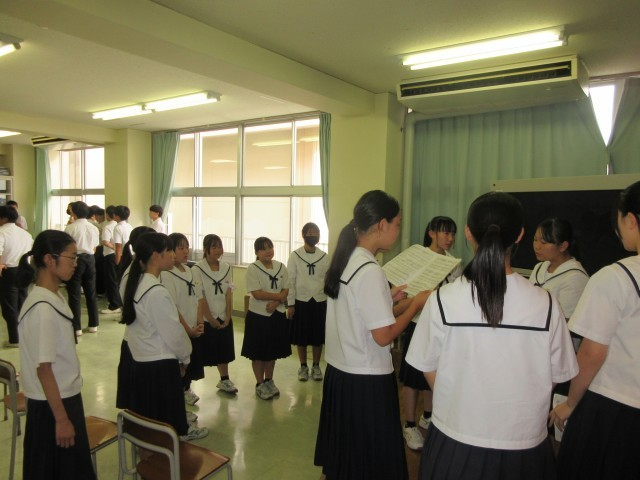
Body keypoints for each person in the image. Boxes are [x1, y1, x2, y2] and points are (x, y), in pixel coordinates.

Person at [406, 191, 578, 480]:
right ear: (520, 234)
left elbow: (428, 366)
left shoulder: (441, 300)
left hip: (454, 442)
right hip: (524, 448)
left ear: (468, 233)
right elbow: (556, 374)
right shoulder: (547, 304)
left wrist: (462, 397)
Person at [314, 190, 430, 480]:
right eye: (397, 224)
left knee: (348, 459)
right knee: (370, 462)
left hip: (341, 374)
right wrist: (415, 304)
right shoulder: (369, 269)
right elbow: (383, 336)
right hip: (365, 381)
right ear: (381, 225)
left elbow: (357, 312)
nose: (398, 231)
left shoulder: (348, 258)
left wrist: (389, 298)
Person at [551, 180, 640, 479]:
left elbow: (592, 353)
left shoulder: (616, 277)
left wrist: (570, 404)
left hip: (614, 407)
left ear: (630, 220)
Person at [17, 230, 96, 479]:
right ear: (49, 260)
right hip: (53, 405)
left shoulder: (54, 296)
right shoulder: (42, 309)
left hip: (62, 398)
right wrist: (61, 420)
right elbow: (44, 370)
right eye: (71, 257)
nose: (75, 263)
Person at [119, 232, 207, 441]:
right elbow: (174, 334)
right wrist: (185, 358)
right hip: (159, 365)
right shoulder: (156, 291)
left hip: (143, 359)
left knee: (151, 421)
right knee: (164, 423)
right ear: (155, 256)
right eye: (169, 250)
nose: (173, 255)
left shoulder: (138, 283)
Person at [399, 216, 461, 450]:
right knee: (412, 377)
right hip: (416, 322)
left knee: (434, 372)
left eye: (453, 234)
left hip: (441, 325)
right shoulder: (418, 257)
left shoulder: (454, 263)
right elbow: (404, 293)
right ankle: (409, 424)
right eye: (445, 233)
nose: (450, 238)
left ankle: (428, 415)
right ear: (432, 233)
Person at [241, 236, 291, 400]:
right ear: (257, 252)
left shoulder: (281, 267)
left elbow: (286, 289)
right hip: (258, 317)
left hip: (277, 315)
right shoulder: (253, 268)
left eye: (270, 247)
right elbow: (256, 293)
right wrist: (278, 297)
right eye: (263, 249)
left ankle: (269, 380)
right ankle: (260, 383)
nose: (268, 251)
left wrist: (276, 303)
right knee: (258, 352)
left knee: (272, 351)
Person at [530, 218, 589, 352]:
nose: (537, 246)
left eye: (543, 242)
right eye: (535, 240)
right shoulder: (539, 268)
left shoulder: (575, 277)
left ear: (563, 246)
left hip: (560, 347)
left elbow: (568, 323)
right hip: (536, 338)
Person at [161, 233, 206, 406]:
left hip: (194, 327)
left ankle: (187, 388)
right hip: (181, 329)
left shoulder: (191, 271)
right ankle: (180, 394)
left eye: (187, 247)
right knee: (179, 364)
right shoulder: (166, 274)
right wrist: (188, 329)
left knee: (191, 362)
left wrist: (200, 323)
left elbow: (199, 299)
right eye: (181, 248)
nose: (186, 251)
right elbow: (173, 307)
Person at [192, 234, 238, 394]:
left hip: (223, 316)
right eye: (214, 247)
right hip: (206, 318)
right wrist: (210, 319)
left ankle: (224, 380)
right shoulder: (197, 269)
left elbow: (229, 293)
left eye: (220, 246)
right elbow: (200, 296)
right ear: (206, 249)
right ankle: (187, 387)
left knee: (224, 350)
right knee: (200, 353)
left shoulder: (226, 267)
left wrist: (228, 316)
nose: (218, 250)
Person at [286, 222, 329, 382]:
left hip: (319, 301)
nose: (313, 235)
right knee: (301, 337)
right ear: (304, 235)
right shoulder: (295, 255)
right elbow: (290, 280)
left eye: (316, 233)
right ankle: (303, 366)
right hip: (301, 301)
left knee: (318, 337)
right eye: (310, 233)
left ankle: (316, 365)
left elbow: (327, 279)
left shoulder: (324, 256)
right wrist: (290, 304)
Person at [64, 201, 100, 336]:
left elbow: (67, 247)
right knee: (91, 292)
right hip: (90, 259)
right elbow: (94, 247)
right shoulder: (94, 228)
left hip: (76, 260)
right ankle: (93, 325)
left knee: (74, 294)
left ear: (73, 212)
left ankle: (76, 327)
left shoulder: (70, 228)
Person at [0, 205, 33, 347]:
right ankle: (25, 336)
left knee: (10, 306)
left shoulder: (2, 232)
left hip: (9, 271)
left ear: (3, 218)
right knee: (22, 303)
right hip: (25, 270)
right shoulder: (25, 234)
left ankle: (15, 339)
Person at [100, 205, 123, 314]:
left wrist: (114, 248)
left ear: (108, 215)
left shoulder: (108, 226)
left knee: (111, 281)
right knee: (117, 280)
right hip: (119, 255)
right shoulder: (119, 225)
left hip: (110, 255)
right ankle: (118, 303)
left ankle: (114, 305)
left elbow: (105, 241)